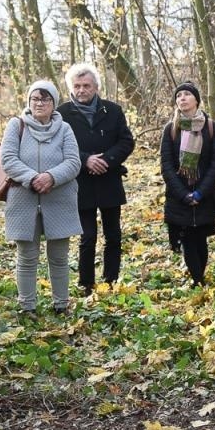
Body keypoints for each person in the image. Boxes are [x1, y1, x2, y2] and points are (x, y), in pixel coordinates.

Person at [0, 81, 82, 313]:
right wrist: (33, 178)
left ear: (54, 103)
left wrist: (51, 177)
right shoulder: (16, 126)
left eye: (45, 99)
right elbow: (8, 159)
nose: (39, 103)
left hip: (59, 198)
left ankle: (62, 304)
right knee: (27, 255)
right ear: (28, 101)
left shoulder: (65, 129)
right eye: (35, 98)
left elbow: (73, 162)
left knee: (58, 256)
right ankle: (27, 306)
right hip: (23, 199)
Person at [58, 64, 135, 290]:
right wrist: (85, 160)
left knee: (114, 235)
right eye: (77, 86)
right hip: (79, 184)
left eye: (86, 86)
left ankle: (110, 281)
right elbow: (58, 146)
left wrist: (107, 160)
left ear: (96, 87)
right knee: (87, 236)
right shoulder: (61, 115)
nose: (81, 90)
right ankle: (86, 283)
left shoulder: (113, 110)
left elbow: (126, 142)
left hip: (109, 181)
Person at [160, 81, 215, 285]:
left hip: (204, 195)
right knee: (187, 238)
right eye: (179, 96)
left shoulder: (211, 127)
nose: (182, 98)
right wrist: (183, 194)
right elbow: (166, 165)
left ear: (196, 100)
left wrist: (201, 193)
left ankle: (200, 275)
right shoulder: (171, 129)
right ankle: (197, 279)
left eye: (187, 94)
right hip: (179, 196)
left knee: (200, 239)